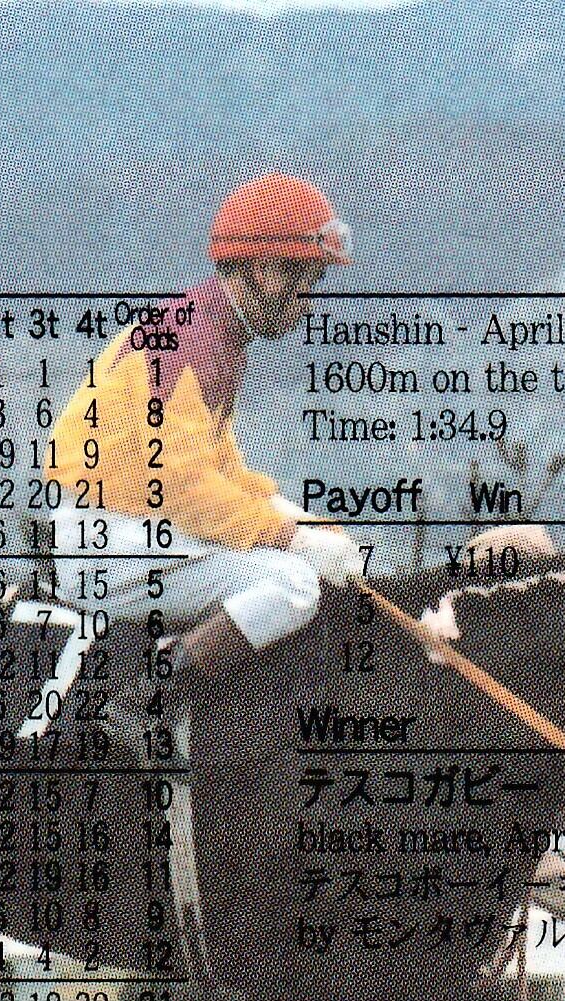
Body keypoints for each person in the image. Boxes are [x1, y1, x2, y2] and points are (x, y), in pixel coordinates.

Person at [46, 173, 366, 752]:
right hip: (112, 538)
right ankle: (148, 697)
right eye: (298, 278)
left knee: (290, 558)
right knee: (292, 583)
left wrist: (307, 525)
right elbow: (182, 484)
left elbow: (222, 469)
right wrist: (288, 538)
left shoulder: (211, 329)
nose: (306, 299)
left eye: (314, 280)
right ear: (255, 269)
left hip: (130, 525)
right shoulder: (193, 341)